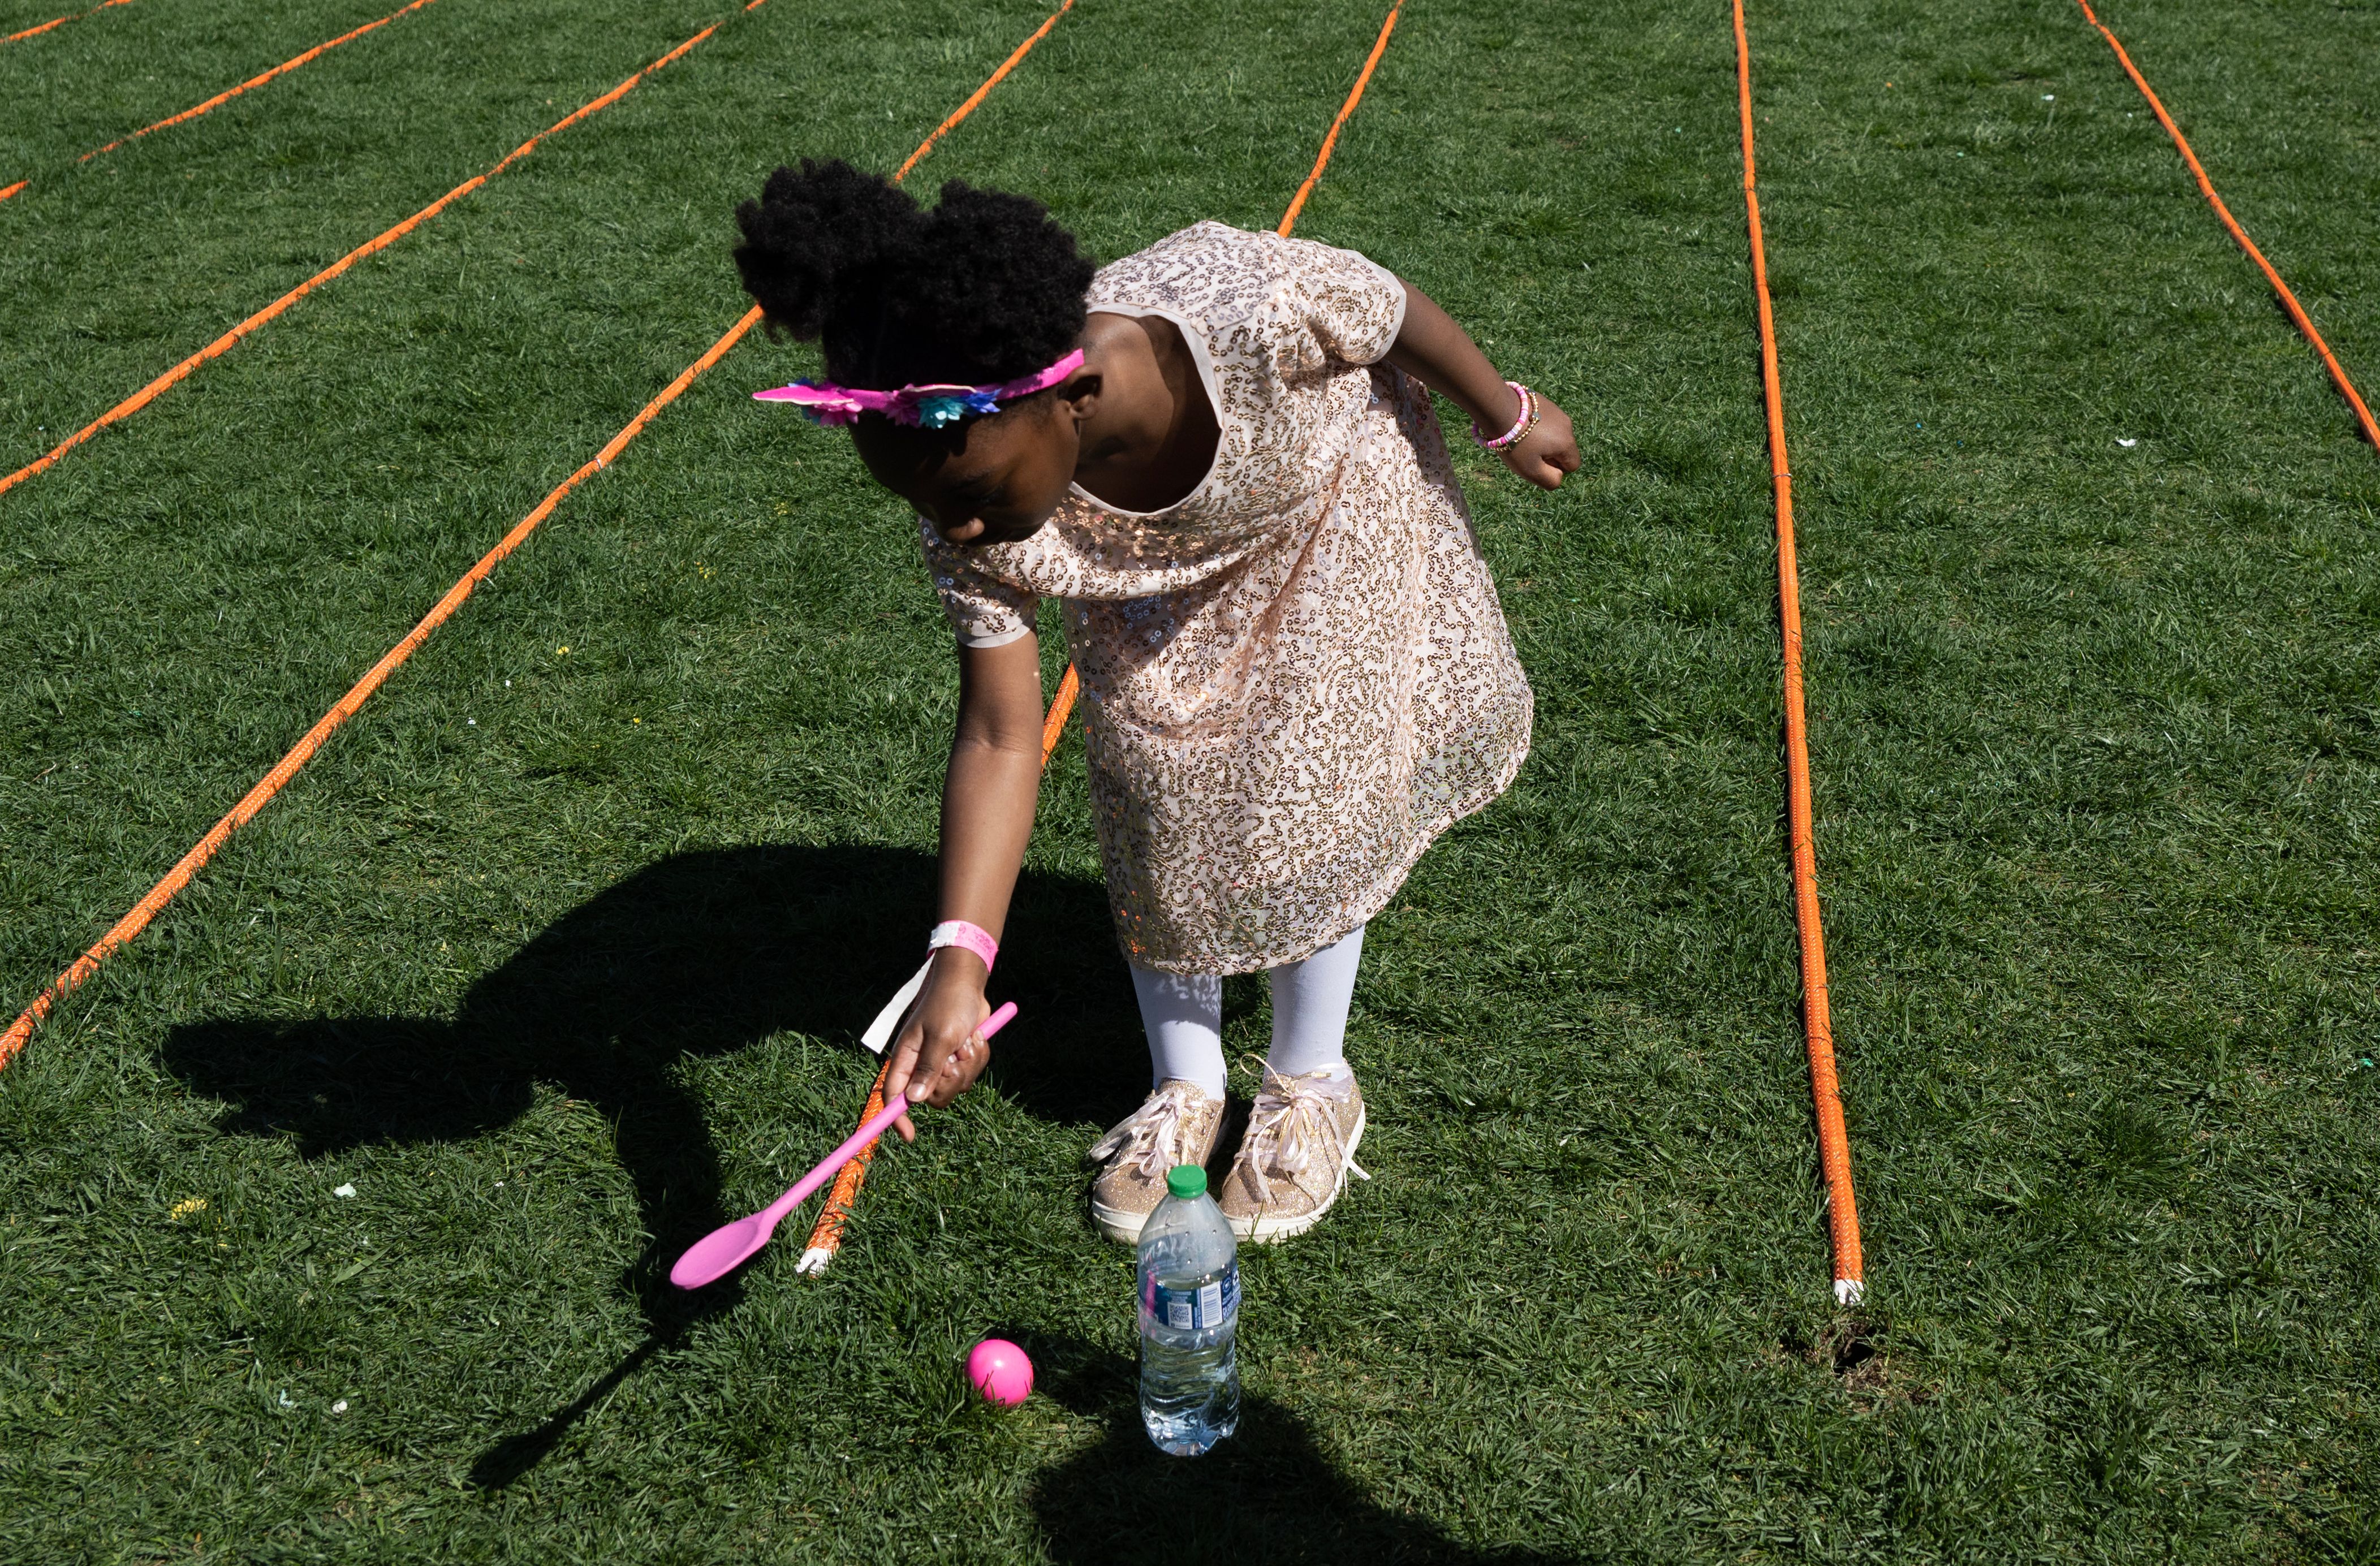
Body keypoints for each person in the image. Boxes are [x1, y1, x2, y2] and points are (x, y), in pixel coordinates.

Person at [732, 159, 1576, 1245]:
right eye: (929, 507)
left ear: (1072, 395)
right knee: (1151, 779)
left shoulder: (1251, 304)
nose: (962, 534)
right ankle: (1186, 1086)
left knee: (1309, 781)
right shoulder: (969, 495)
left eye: (977, 501)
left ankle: (1311, 1079)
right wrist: (959, 956)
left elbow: (1389, 311)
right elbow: (999, 731)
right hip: (1151, 578)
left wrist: (1505, 415)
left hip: (1326, 507)